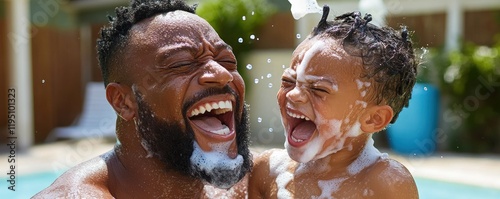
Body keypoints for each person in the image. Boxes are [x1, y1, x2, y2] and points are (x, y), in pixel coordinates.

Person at [34, 0, 252, 198]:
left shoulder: (252, 183)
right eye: (181, 64)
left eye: (227, 62)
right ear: (123, 101)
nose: (222, 74)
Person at [248, 6, 419, 199]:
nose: (294, 94)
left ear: (373, 118)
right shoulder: (267, 172)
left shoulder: (385, 183)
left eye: (319, 89)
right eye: (288, 81)